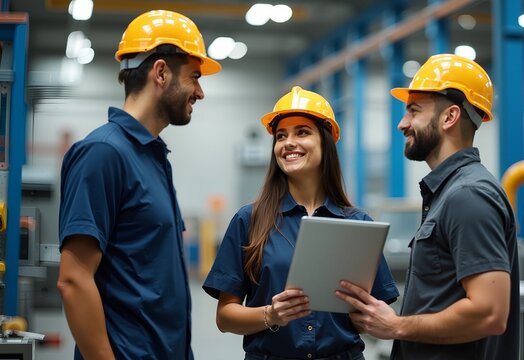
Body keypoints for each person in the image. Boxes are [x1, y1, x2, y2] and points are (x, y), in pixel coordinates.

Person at [57, 10, 221, 360]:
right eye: (194, 77)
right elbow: (74, 281)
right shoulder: (103, 153)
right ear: (161, 72)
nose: (200, 92)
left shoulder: (152, 156)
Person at [335, 53, 520, 360]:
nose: (402, 124)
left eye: (414, 111)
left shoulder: (468, 195)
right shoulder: (449, 193)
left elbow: (489, 313)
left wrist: (396, 326)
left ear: (449, 117)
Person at [202, 86, 400, 360]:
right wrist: (271, 315)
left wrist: (369, 315)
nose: (288, 143)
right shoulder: (249, 221)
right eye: (281, 136)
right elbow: (225, 317)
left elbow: (371, 314)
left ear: (326, 142)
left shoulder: (358, 225)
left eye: (302, 132)